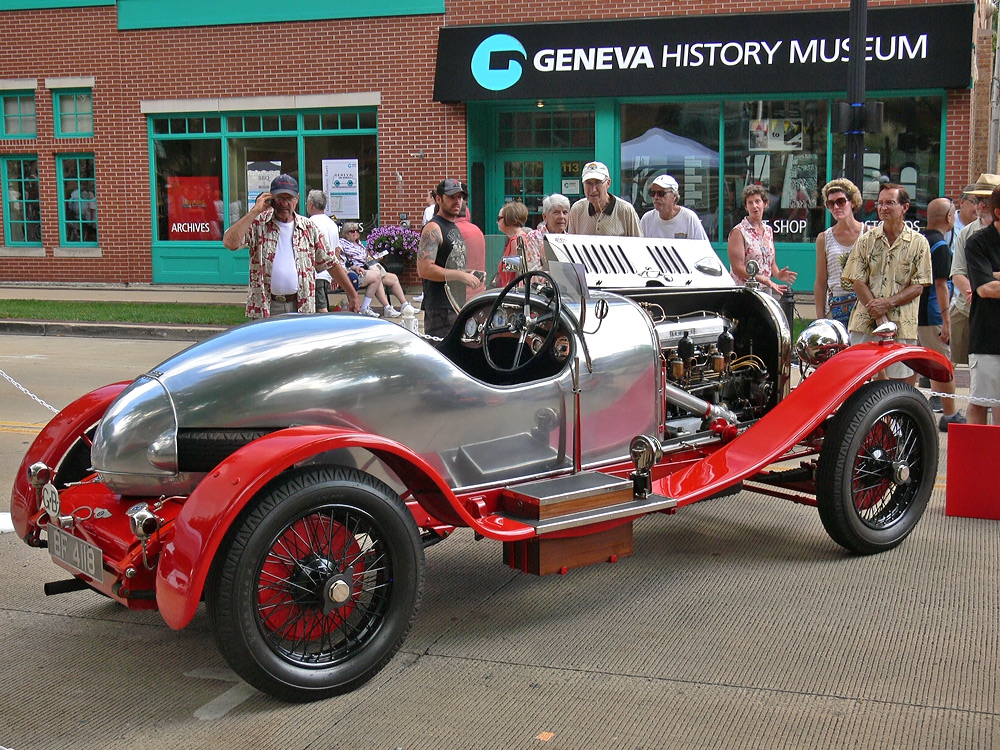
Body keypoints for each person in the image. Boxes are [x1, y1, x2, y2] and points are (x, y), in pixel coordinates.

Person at [223, 174, 358, 319]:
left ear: (297, 199)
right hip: (266, 308)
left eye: (289, 198)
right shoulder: (258, 224)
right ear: (271, 198)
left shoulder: (308, 228)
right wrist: (255, 211)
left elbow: (331, 263)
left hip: (300, 307)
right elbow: (230, 243)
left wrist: (353, 295)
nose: (284, 203)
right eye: (280, 198)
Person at [841, 183, 932, 384]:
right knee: (861, 379)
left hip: (902, 323)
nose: (883, 208)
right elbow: (856, 279)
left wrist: (888, 303)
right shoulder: (866, 240)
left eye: (890, 203)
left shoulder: (919, 243)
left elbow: (919, 285)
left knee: (899, 381)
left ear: (904, 207)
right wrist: (879, 311)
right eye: (880, 203)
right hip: (865, 322)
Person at [918, 198, 965, 430]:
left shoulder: (919, 241)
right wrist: (946, 320)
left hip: (913, 314)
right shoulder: (941, 247)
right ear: (949, 217)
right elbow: (940, 285)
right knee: (944, 364)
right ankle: (950, 414)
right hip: (932, 316)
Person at [417, 178, 482, 337]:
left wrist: (468, 273)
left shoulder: (453, 226)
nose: (457, 201)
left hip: (456, 305)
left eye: (460, 197)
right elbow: (424, 269)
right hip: (439, 309)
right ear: (439, 199)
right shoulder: (433, 228)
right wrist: (460, 275)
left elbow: (449, 265)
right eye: (452, 197)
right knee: (442, 356)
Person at [950, 174, 1000, 368]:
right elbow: (958, 273)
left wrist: (986, 277)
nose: (980, 205)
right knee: (964, 370)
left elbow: (984, 280)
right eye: (977, 200)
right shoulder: (969, 235)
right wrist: (975, 289)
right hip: (966, 310)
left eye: (985, 200)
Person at [964, 184, 1000, 425]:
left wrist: (995, 276)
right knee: (981, 402)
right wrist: (990, 279)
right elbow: (985, 289)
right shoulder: (978, 243)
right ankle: (975, 459)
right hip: (988, 337)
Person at [727, 184, 797, 294]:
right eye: (750, 202)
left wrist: (778, 274)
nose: (754, 206)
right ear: (746, 207)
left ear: (765, 204)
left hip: (766, 291)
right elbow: (738, 268)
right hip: (745, 292)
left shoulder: (768, 230)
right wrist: (763, 279)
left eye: (757, 201)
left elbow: (771, 263)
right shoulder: (738, 232)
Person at [814, 178, 864, 326]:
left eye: (841, 201)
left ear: (852, 202)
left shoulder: (868, 234)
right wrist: (820, 318)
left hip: (863, 307)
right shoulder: (824, 238)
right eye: (830, 203)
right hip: (836, 307)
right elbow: (821, 282)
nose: (836, 207)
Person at [339, 222, 414, 318]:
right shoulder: (342, 243)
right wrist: (353, 268)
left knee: (393, 278)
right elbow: (341, 259)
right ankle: (378, 308)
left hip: (369, 268)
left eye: (357, 231)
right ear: (345, 233)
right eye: (352, 231)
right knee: (376, 277)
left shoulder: (359, 244)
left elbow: (367, 258)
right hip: (357, 272)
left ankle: (404, 305)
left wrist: (375, 258)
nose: (355, 233)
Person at [568, 161, 642, 237]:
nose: (593, 189)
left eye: (598, 182)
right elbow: (570, 245)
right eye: (588, 183)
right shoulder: (577, 210)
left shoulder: (625, 210)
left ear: (608, 183)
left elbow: (638, 244)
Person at [639, 174, 708, 240]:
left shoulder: (689, 218)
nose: (656, 197)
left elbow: (702, 249)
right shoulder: (647, 219)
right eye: (652, 193)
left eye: (661, 193)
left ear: (674, 196)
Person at [305, 189, 339, 313]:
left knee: (320, 309)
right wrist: (336, 275)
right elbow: (337, 251)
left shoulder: (309, 223)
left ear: (311, 204)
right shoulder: (332, 225)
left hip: (315, 274)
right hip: (328, 274)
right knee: (324, 304)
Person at [523, 193, 570, 272]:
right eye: (556, 212)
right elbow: (533, 272)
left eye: (565, 212)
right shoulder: (534, 238)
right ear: (545, 217)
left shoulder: (570, 240)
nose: (562, 216)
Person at [496, 200, 529, 286]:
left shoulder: (516, 241)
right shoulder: (521, 237)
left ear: (509, 219)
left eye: (499, 218)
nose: (497, 222)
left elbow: (514, 274)